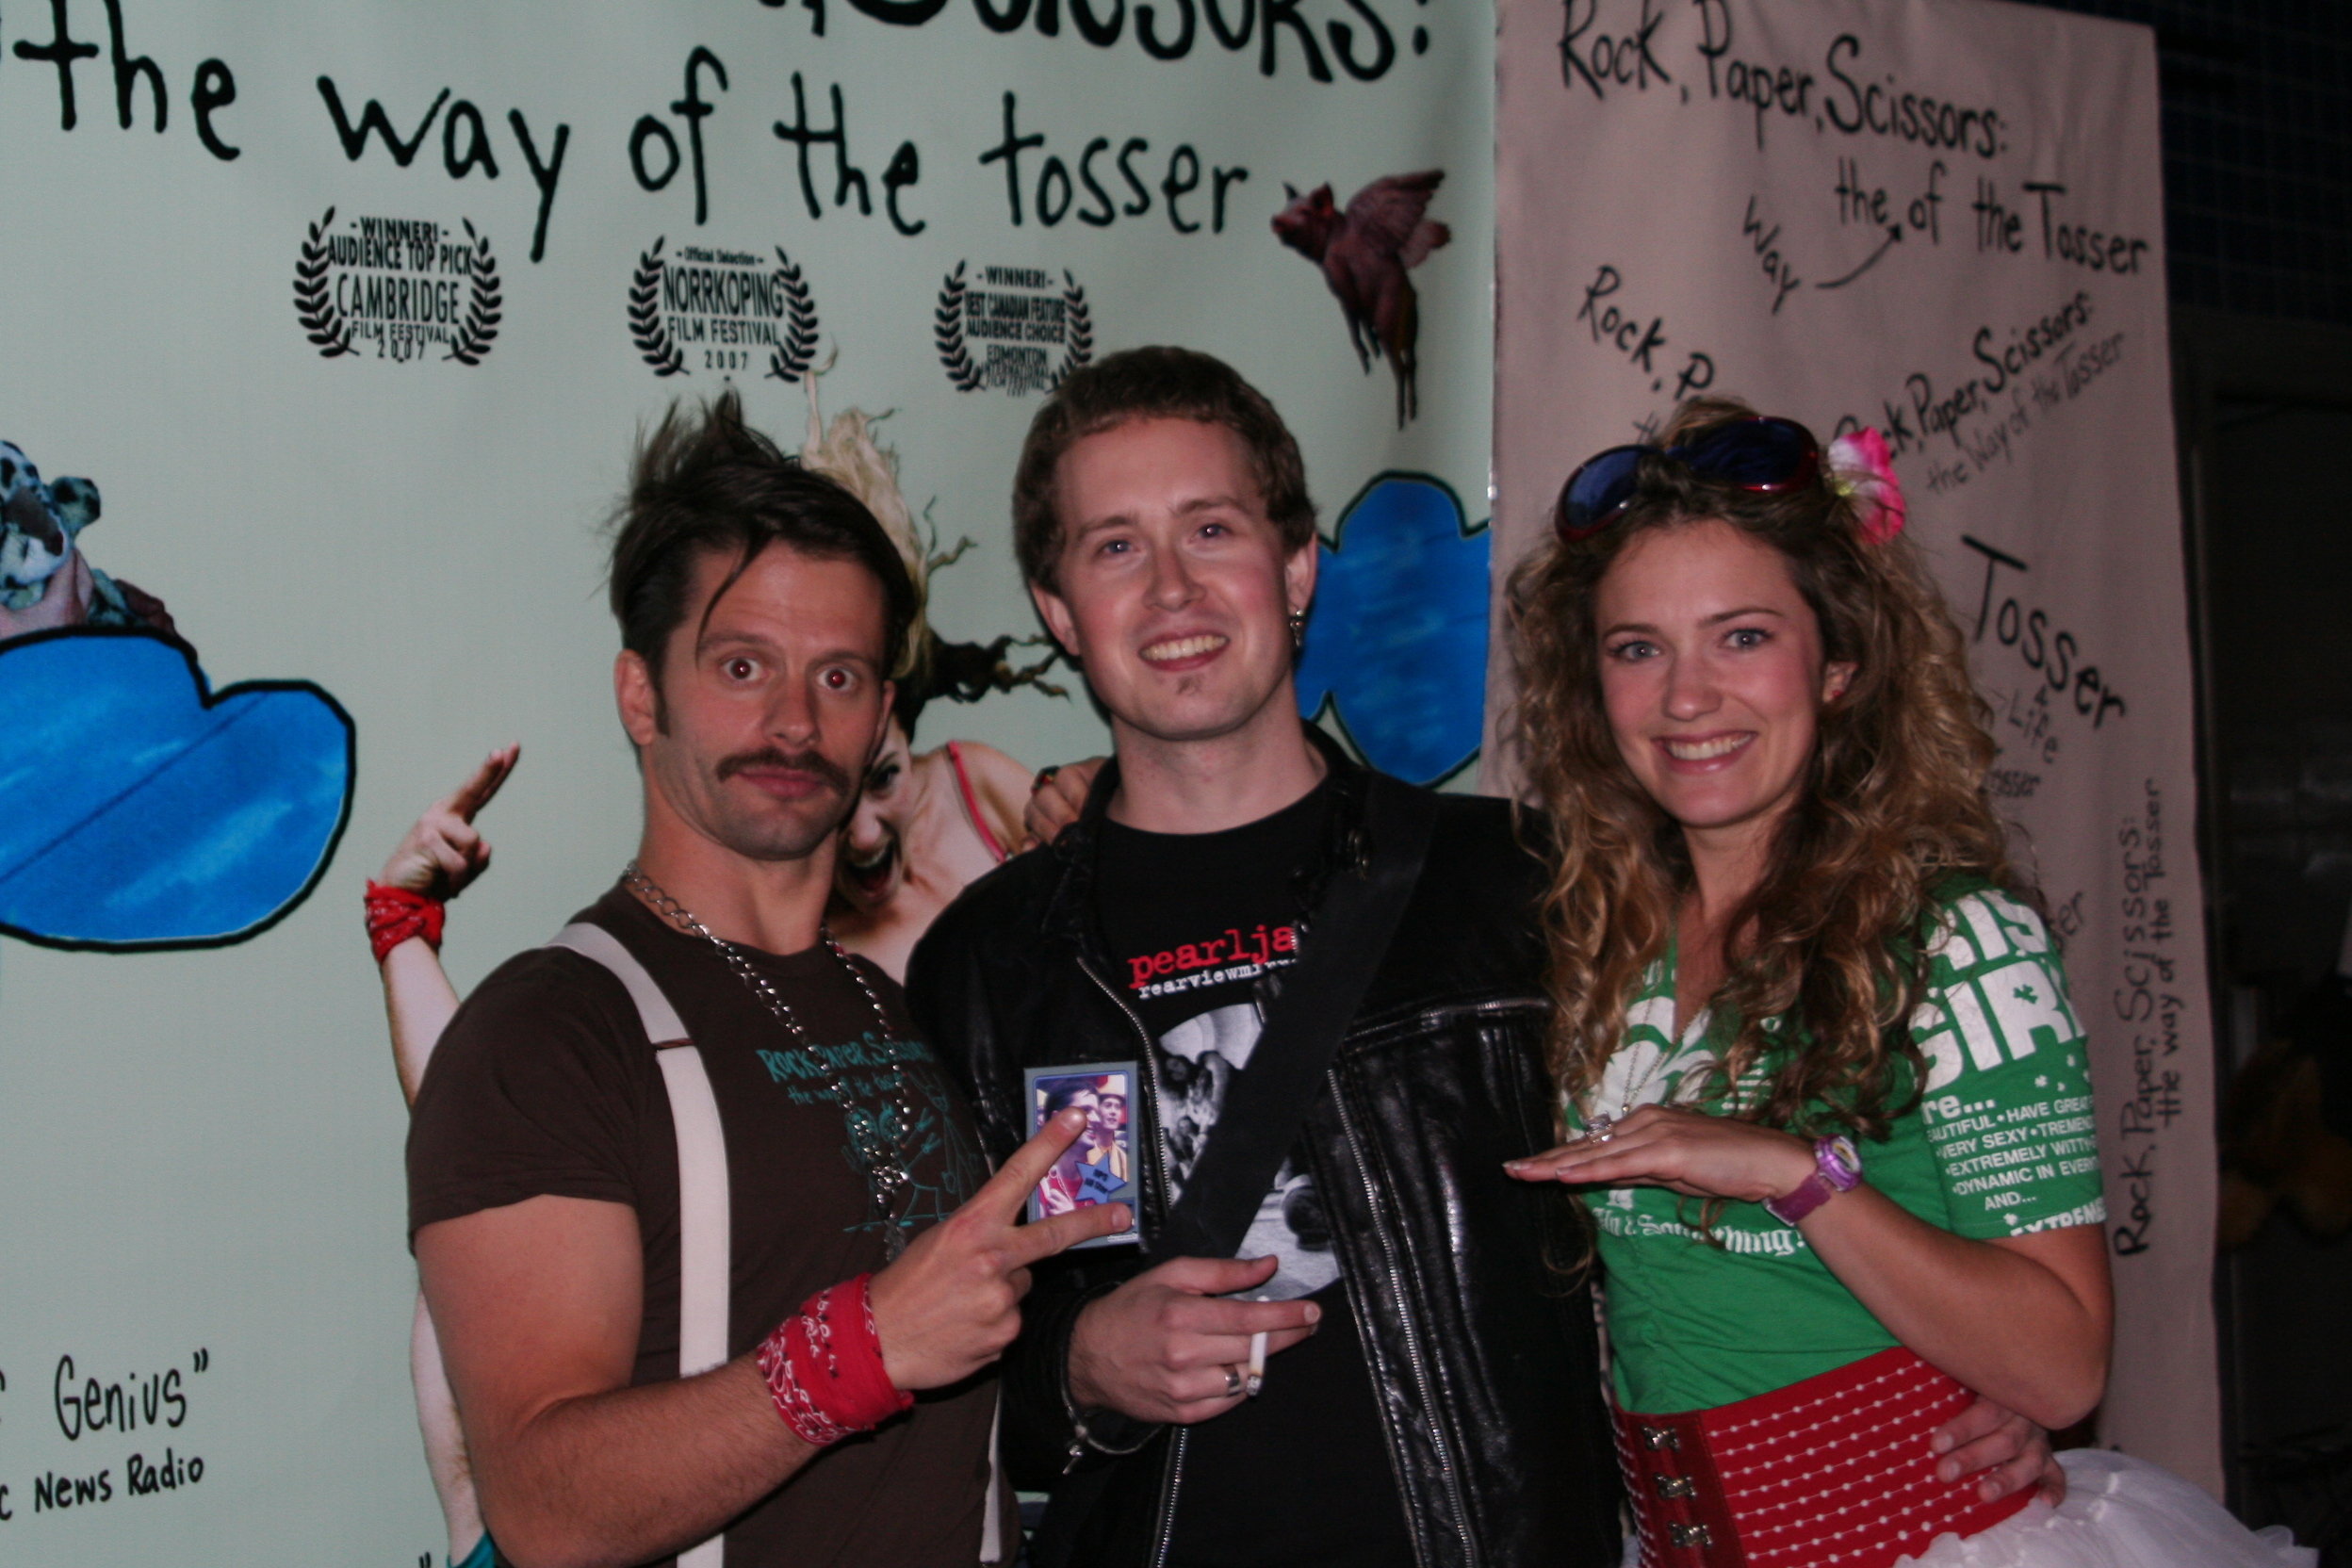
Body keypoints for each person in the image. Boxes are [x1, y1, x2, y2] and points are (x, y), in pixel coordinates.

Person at [905, 348, 2050, 1568]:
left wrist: (1936, 1393)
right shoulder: (990, 963)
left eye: (1213, 528)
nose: (1175, 588)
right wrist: (1077, 1368)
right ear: (1058, 610)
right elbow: (932, 1377)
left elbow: (1721, 1219)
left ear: (1296, 568)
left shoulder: (1528, 883)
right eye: (1117, 546)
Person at [1504, 401, 2314, 1567]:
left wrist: (1796, 1172)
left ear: (1838, 664)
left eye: (1741, 636)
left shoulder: (1958, 941)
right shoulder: (1595, 940)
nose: (1686, 697)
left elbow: (2061, 1361)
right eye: (1638, 647)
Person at [398, 391, 1129, 1568]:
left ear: (886, 712)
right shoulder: (547, 1033)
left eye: (839, 678)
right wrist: (864, 1348)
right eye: (744, 664)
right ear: (643, 693)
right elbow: (543, 1500)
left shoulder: (910, 998)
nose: (794, 721)